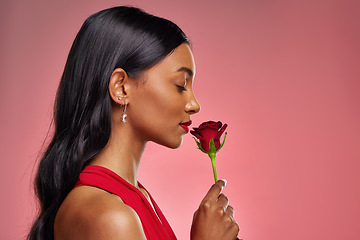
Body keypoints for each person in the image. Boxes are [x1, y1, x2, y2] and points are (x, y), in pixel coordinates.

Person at [28, 6, 239, 240]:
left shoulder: (137, 197)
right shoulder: (108, 214)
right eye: (180, 85)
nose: (194, 104)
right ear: (121, 87)